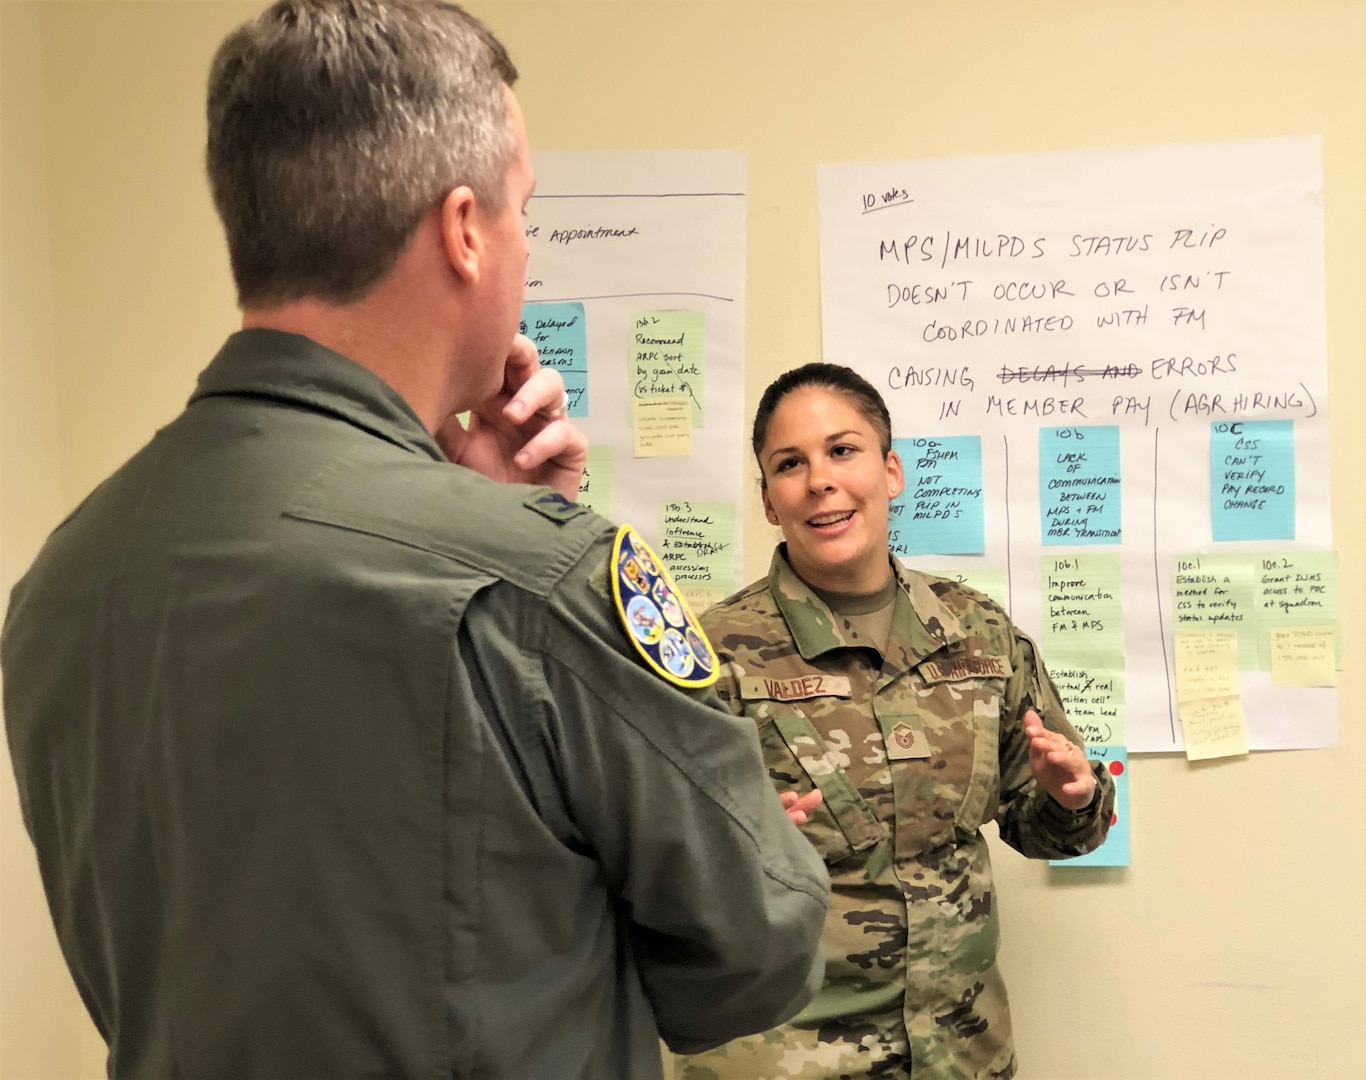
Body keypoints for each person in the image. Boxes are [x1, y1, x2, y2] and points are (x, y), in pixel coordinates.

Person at [0, 3, 830, 1078]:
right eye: (523, 211)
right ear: (464, 231)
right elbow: (753, 955)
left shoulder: (64, 578)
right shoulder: (544, 574)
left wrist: (465, 509)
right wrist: (517, 532)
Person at [676, 363, 1116, 1080]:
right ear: (767, 500)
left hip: (961, 1054)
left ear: (891, 472)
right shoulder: (709, 656)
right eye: (791, 464)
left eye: (842, 450)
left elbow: (1049, 829)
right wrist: (732, 859)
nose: (820, 479)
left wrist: (1073, 799)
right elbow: (650, 876)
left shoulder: (977, 633)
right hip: (780, 1057)